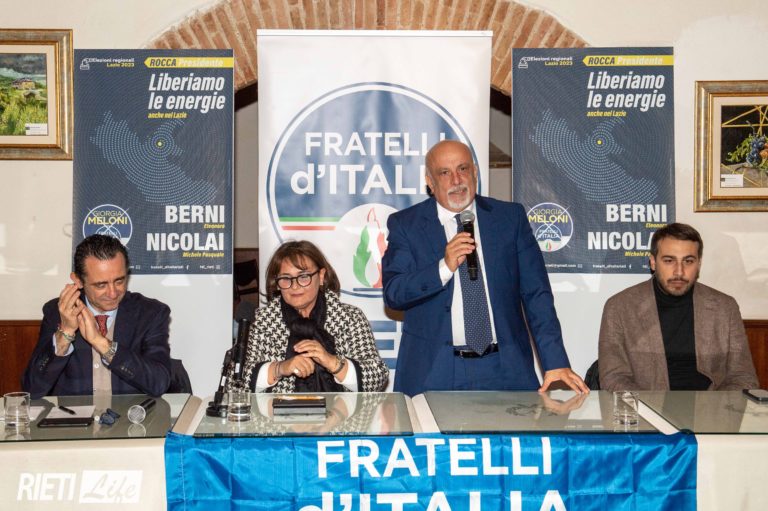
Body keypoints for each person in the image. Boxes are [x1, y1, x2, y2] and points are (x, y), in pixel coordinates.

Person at [382, 139, 587, 396]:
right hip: (435, 371)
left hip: (504, 367)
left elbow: (537, 295)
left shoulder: (509, 218)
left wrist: (555, 361)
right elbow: (394, 293)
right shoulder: (406, 225)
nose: (456, 180)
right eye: (444, 173)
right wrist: (444, 267)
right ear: (430, 183)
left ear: (475, 172)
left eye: (463, 169)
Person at [599, 223, 758, 391]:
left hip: (711, 405)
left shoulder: (725, 308)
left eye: (688, 261)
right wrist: (648, 406)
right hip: (645, 405)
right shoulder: (619, 307)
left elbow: (743, 377)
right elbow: (613, 378)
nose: (679, 272)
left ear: (699, 264)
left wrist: (715, 405)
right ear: (653, 262)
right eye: (669, 261)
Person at [22, 234, 171, 398]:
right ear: (78, 281)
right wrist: (65, 334)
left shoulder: (150, 313)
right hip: (74, 414)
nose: (113, 293)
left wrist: (101, 343)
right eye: (101, 285)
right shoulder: (58, 312)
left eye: (119, 281)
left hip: (131, 413)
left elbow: (159, 383)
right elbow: (32, 389)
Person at [234, 240, 388, 393]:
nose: (295, 286)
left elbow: (378, 377)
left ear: (321, 276)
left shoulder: (350, 318)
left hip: (340, 409)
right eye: (286, 278)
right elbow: (234, 383)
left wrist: (332, 362)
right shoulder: (261, 321)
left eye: (303, 277)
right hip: (276, 409)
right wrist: (279, 368)